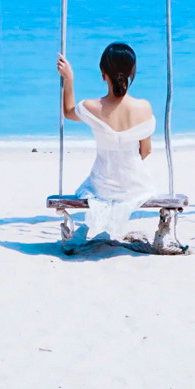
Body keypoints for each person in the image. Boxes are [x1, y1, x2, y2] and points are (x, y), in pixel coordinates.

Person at [56, 42, 156, 241]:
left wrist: (69, 79)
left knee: (92, 185)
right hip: (134, 185)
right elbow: (146, 151)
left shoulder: (91, 107)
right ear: (131, 73)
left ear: (103, 74)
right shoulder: (143, 108)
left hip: (102, 186)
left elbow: (68, 112)